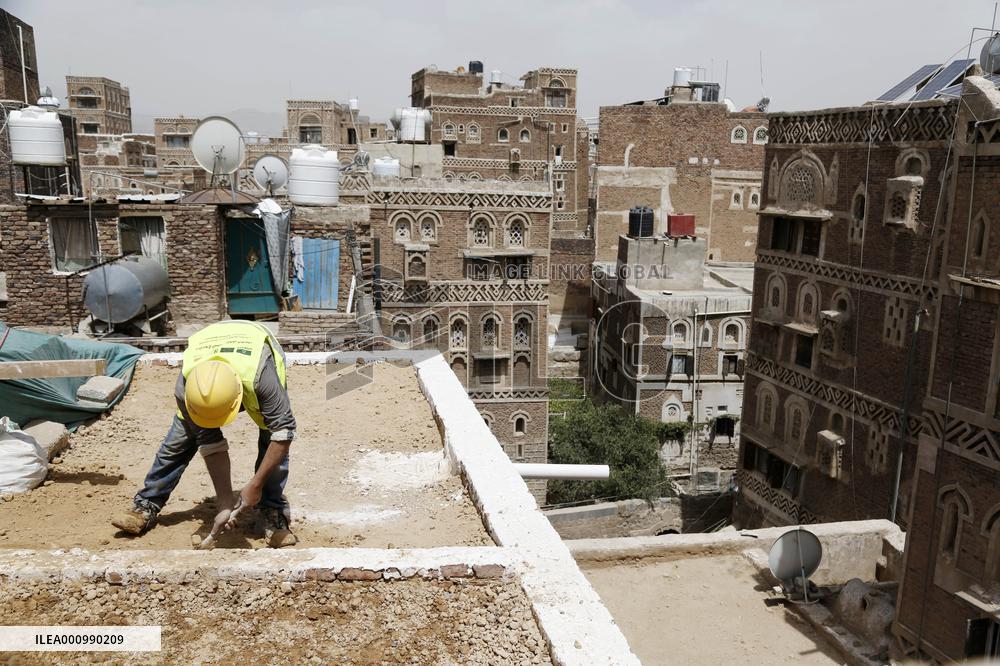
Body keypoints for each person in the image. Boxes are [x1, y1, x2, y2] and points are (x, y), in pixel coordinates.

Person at [111, 320, 297, 547]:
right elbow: (210, 443)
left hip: (255, 351)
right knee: (178, 442)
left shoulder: (261, 378)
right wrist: (225, 504)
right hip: (212, 349)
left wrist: (255, 484)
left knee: (272, 439)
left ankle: (272, 510)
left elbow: (283, 432)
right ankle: (147, 503)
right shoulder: (186, 387)